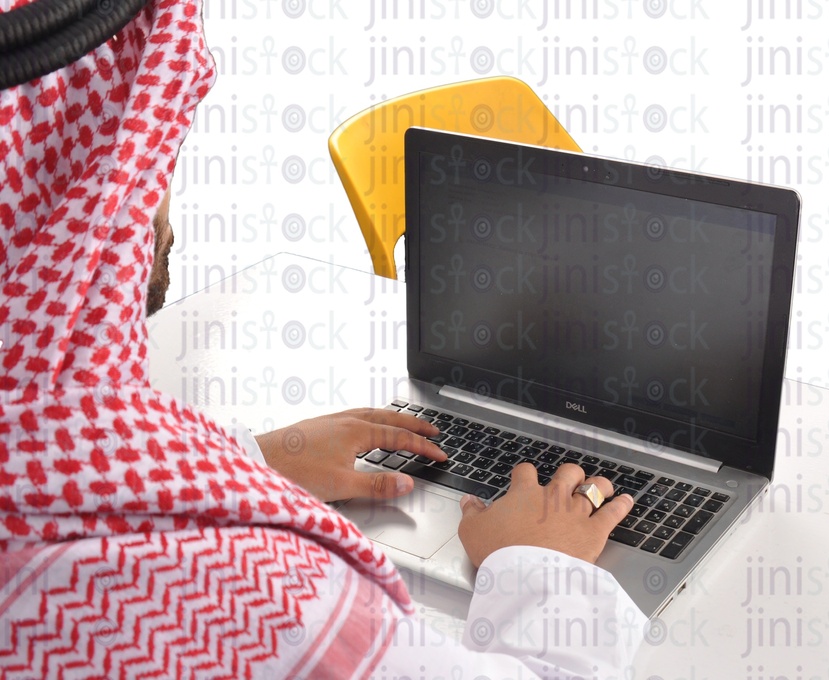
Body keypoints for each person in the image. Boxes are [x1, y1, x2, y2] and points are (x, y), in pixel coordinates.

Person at [0, 0, 646, 676]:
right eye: (153, 146)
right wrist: (543, 571)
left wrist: (248, 461)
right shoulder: (228, 593)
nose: (155, 187)